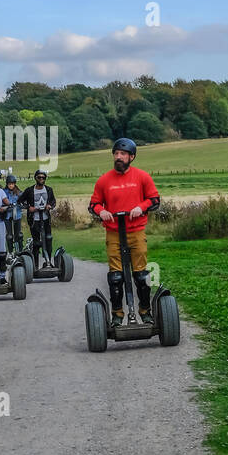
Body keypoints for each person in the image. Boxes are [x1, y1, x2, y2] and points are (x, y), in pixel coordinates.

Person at [89, 138, 160, 325]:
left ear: (132, 157)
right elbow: (93, 204)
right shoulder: (104, 180)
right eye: (116, 154)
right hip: (113, 232)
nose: (118, 157)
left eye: (123, 154)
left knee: (141, 275)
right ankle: (117, 315)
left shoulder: (142, 177)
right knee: (116, 277)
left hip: (136, 231)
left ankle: (145, 312)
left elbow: (154, 200)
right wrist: (101, 211)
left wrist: (141, 207)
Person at [18, 168, 57, 268]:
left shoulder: (49, 189)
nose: (41, 179)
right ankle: (35, 265)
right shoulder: (30, 190)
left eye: (43, 177)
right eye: (39, 177)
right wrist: (29, 207)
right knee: (36, 242)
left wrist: (49, 206)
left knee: (48, 239)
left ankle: (48, 261)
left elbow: (53, 201)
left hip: (45, 219)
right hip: (34, 220)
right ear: (35, 178)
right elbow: (20, 201)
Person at [2, 173, 24, 255]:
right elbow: (1, 202)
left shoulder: (19, 192)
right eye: (9, 184)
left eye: (12, 184)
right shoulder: (3, 192)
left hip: (17, 215)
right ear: (7, 184)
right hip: (7, 216)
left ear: (15, 184)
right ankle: (10, 252)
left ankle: (20, 251)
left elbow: (23, 201)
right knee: (9, 236)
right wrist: (5, 206)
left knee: (18, 234)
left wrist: (23, 205)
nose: (11, 185)